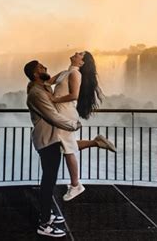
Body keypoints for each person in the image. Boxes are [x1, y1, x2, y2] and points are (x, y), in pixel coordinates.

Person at [46, 51, 116, 201]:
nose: (76, 53)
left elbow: (74, 95)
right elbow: (46, 84)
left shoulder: (75, 74)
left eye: (80, 54)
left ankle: (76, 185)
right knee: (65, 145)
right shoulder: (65, 72)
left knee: (67, 149)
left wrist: (54, 100)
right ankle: (96, 142)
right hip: (59, 113)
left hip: (66, 113)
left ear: (82, 62)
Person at [24, 60, 81, 238]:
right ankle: (44, 223)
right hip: (47, 140)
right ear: (35, 74)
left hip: (51, 139)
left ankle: (47, 213)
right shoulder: (36, 93)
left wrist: (72, 69)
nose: (45, 68)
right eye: (41, 67)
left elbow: (58, 79)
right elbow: (53, 116)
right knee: (48, 183)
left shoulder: (43, 87)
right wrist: (74, 125)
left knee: (50, 180)